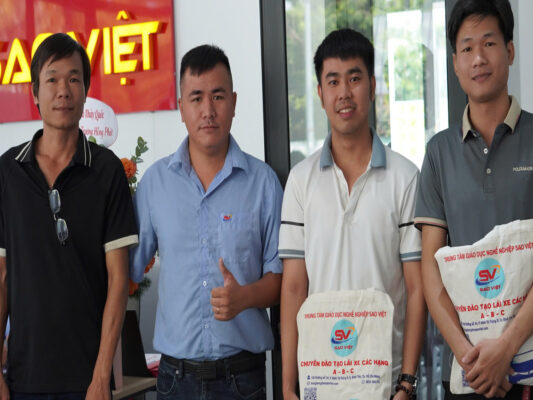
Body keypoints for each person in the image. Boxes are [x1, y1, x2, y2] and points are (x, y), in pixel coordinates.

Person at [279, 28, 426, 400]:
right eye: (333, 81)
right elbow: (293, 288)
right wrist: (288, 385)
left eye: (354, 79)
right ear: (320, 93)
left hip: (385, 382)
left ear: (372, 86)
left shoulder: (406, 177)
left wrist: (407, 383)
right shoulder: (300, 181)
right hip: (320, 382)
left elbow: (417, 288)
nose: (344, 92)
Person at [129, 44, 283, 400]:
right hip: (174, 380)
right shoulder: (155, 184)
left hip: (242, 380)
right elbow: (127, 270)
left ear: (234, 102)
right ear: (181, 107)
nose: (208, 111)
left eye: (218, 96)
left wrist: (244, 297)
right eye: (196, 98)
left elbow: (283, 281)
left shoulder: (263, 183)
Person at [0, 33, 138, 399]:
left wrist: (101, 376)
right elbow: (1, 277)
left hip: (87, 380)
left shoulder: (106, 170)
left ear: (86, 91)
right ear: (34, 92)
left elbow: (118, 278)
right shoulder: (8, 172)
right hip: (22, 379)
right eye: (52, 79)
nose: (63, 90)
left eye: (74, 79)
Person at [415, 0, 533, 398]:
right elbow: (430, 270)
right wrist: (471, 359)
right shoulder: (438, 153)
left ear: (510, 50)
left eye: (489, 43)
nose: (478, 58)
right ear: (454, 63)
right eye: (467, 48)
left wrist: (506, 348)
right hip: (469, 372)